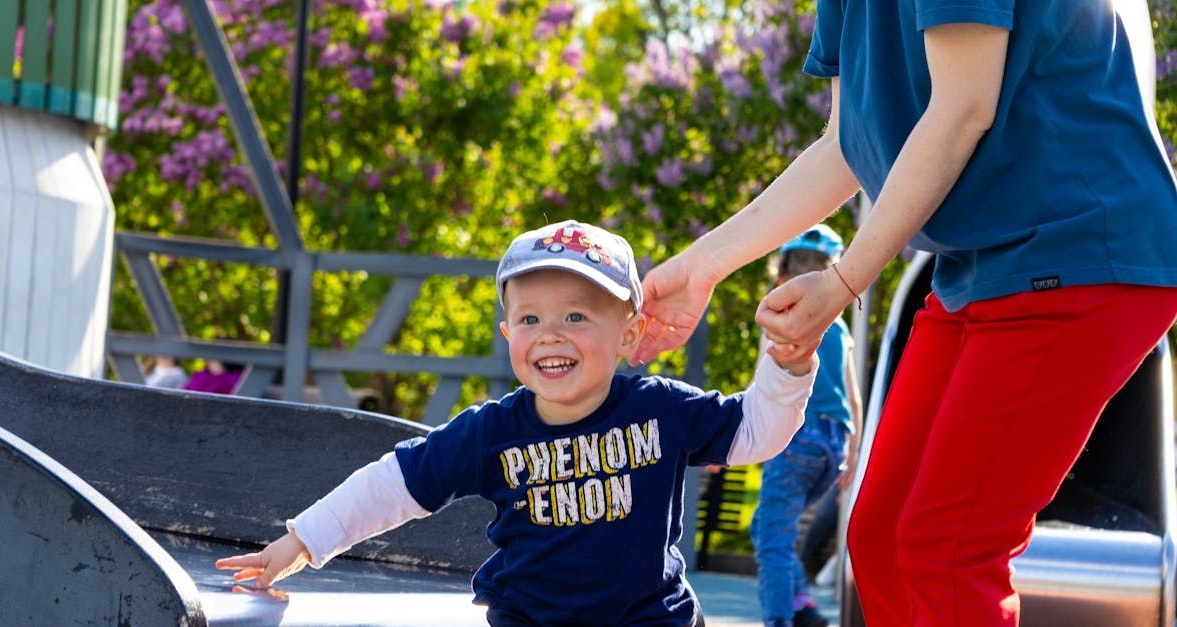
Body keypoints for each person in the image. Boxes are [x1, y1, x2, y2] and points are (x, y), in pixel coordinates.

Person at [627, 3, 1177, 625]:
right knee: (881, 537)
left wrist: (842, 281)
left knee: (948, 549)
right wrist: (702, 266)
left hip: (1078, 249)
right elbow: (844, 147)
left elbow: (963, 107)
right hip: (980, 268)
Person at [216, 220, 820, 626]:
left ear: (629, 334)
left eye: (576, 316)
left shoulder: (660, 409)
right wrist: (302, 542)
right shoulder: (492, 432)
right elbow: (393, 484)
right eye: (529, 320)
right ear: (508, 333)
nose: (550, 335)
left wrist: (787, 365)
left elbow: (756, 432)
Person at [749, 225, 863, 627]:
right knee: (765, 526)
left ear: (781, 279)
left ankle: (780, 619)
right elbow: (853, 397)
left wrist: (728, 437)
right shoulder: (841, 327)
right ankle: (802, 608)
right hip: (833, 447)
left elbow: (762, 387)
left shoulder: (782, 321)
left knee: (772, 540)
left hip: (797, 438)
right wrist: (853, 452)